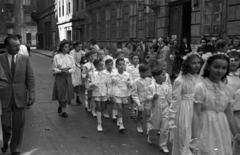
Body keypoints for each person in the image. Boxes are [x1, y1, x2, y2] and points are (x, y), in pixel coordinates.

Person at [191, 53, 240, 155]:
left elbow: (229, 114)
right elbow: (196, 113)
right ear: (208, 67)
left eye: (223, 68)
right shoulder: (201, 87)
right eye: (216, 67)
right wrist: (194, 138)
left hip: (222, 127)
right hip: (205, 125)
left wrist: (236, 135)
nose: (220, 71)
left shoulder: (227, 89)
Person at [0, 35, 35, 155]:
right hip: (4, 96)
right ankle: (6, 141)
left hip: (20, 95)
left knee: (18, 124)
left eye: (18, 45)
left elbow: (30, 78)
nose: (18, 48)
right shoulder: (0, 59)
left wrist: (32, 94)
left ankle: (15, 148)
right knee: (5, 124)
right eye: (15, 46)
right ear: (7, 46)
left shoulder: (25, 59)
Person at [169, 52, 202, 155]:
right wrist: (172, 118)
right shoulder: (180, 80)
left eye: (198, 63)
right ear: (187, 64)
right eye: (194, 63)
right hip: (184, 109)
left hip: (197, 108)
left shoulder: (201, 79)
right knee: (184, 135)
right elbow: (175, 99)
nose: (197, 65)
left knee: (196, 134)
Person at [147, 68, 171, 153]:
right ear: (156, 77)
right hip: (156, 108)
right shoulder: (151, 87)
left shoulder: (166, 86)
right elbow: (148, 97)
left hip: (165, 107)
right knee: (155, 127)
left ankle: (163, 144)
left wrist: (170, 106)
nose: (165, 76)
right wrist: (153, 97)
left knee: (165, 128)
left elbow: (168, 98)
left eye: (165, 74)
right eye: (163, 75)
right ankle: (150, 135)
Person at [52, 40, 75, 118]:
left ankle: (64, 111)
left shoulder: (70, 57)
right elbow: (54, 68)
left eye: (68, 47)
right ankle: (60, 105)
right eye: (65, 47)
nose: (67, 48)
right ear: (61, 47)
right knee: (59, 92)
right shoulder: (56, 57)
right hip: (60, 76)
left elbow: (73, 67)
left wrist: (69, 71)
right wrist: (60, 71)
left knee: (65, 94)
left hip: (67, 76)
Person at [111, 58, 132, 133]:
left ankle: (119, 119)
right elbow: (111, 84)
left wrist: (130, 84)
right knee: (120, 108)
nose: (121, 66)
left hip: (124, 93)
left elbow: (130, 83)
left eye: (123, 64)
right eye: (119, 64)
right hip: (116, 93)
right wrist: (111, 94)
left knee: (122, 108)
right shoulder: (113, 74)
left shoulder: (127, 74)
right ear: (116, 66)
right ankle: (121, 124)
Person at [90, 59, 111, 131]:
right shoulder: (93, 74)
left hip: (104, 92)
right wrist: (92, 84)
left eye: (102, 65)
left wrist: (109, 93)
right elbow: (91, 83)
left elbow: (109, 84)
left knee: (102, 108)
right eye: (100, 65)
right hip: (96, 92)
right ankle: (99, 123)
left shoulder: (107, 74)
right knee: (99, 107)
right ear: (95, 66)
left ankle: (99, 117)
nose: (102, 66)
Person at [131, 65, 152, 133]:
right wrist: (138, 102)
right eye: (146, 73)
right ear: (141, 73)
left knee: (148, 114)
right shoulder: (136, 81)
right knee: (139, 113)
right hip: (140, 100)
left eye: (148, 72)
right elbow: (134, 94)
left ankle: (148, 127)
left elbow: (151, 89)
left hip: (148, 99)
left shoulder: (149, 80)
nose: (148, 74)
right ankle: (138, 124)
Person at [82, 50, 97, 116]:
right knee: (88, 95)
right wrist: (86, 75)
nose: (93, 57)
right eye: (91, 56)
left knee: (95, 95)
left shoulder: (97, 64)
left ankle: (93, 108)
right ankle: (87, 106)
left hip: (96, 81)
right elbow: (83, 74)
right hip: (89, 82)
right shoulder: (86, 65)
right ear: (88, 57)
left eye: (94, 55)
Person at [69, 41, 85, 105]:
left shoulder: (81, 51)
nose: (80, 48)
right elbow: (72, 60)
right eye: (78, 47)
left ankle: (78, 98)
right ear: (75, 46)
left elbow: (86, 54)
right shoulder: (71, 52)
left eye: (81, 47)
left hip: (78, 69)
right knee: (72, 83)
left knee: (78, 83)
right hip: (72, 68)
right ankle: (69, 98)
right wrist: (79, 65)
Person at [127, 54, 140, 119]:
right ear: (131, 60)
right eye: (134, 58)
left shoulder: (140, 67)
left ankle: (138, 112)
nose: (136, 60)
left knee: (139, 99)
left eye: (137, 58)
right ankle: (132, 112)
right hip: (132, 84)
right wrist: (131, 84)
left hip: (139, 84)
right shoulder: (128, 67)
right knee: (132, 99)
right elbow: (129, 76)